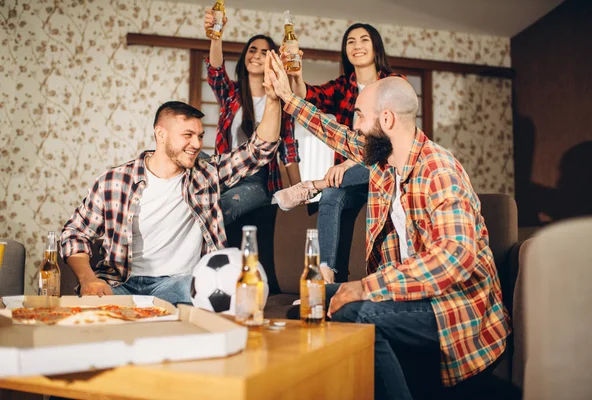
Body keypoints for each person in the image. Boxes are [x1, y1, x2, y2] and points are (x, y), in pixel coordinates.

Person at [265, 50, 510, 399]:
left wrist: (367, 287)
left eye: (360, 116)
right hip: (412, 295)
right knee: (309, 302)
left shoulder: (438, 168)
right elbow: (334, 132)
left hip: (452, 307)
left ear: (388, 119)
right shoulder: (384, 160)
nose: (355, 124)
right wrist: (288, 98)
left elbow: (455, 256)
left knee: (354, 311)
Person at [61, 71, 282, 305]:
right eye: (187, 135)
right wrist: (88, 279)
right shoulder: (114, 181)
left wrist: (274, 99)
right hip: (122, 285)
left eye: (199, 135)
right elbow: (75, 233)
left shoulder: (205, 174)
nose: (197, 144)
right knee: (91, 307)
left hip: (178, 285)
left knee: (213, 288)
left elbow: (260, 149)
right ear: (160, 134)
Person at [275, 23, 396, 283]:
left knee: (381, 161)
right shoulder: (343, 86)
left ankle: (311, 185)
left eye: (364, 39)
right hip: (350, 179)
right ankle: (324, 276)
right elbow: (306, 97)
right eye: (350, 41)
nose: (357, 46)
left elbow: (391, 142)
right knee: (331, 194)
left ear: (376, 47)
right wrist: (295, 75)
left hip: (384, 171)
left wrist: (350, 163)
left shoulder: (394, 85)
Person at [204, 11, 301, 226]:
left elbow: (289, 152)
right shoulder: (231, 95)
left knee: (223, 207)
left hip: (257, 179)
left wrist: (299, 193)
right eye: (252, 50)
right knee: (194, 158)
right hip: (223, 170)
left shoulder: (279, 104)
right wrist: (215, 36)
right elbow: (216, 72)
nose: (257, 56)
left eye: (265, 52)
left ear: (273, 60)